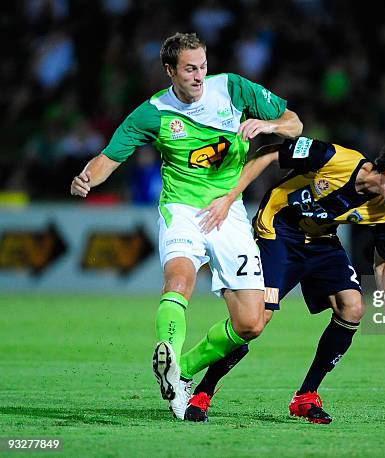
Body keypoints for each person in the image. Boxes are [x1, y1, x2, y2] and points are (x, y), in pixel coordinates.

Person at [69, 32, 303, 419]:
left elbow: (294, 123)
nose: (198, 76)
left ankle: (181, 372)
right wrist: (86, 178)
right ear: (169, 71)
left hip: (229, 211)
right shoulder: (152, 113)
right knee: (178, 279)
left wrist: (268, 124)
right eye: (190, 69)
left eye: (202, 67)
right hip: (182, 209)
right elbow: (109, 157)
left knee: (250, 323)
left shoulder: (232, 88)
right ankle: (168, 350)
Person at [182, 135, 385, 423]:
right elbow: (269, 153)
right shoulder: (335, 158)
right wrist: (230, 196)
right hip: (278, 231)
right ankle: (202, 391)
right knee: (255, 321)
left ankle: (306, 397)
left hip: (321, 241)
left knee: (352, 307)